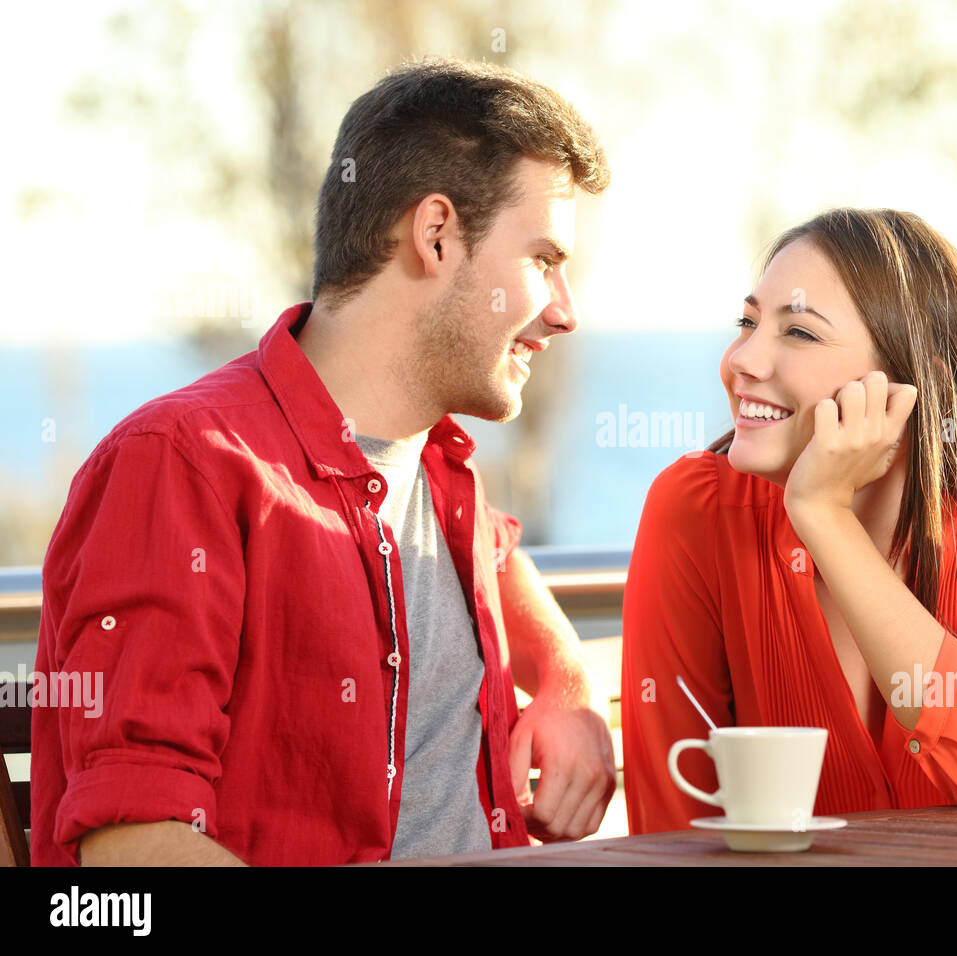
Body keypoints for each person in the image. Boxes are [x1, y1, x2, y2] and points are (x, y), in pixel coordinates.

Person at [32, 57, 616, 866]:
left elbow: (500, 557)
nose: (565, 311)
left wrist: (566, 684)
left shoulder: (439, 471)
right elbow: (137, 844)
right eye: (544, 260)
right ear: (436, 234)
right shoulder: (184, 467)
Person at [621, 207, 957, 833]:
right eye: (747, 322)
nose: (743, 358)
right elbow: (670, 827)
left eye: (799, 333)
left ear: (914, 377)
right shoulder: (697, 506)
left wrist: (824, 518)